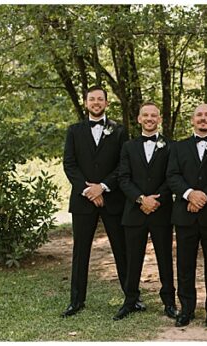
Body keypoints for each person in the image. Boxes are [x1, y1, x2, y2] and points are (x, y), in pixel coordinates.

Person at [59, 86, 131, 318]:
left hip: (113, 199)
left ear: (107, 103)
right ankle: (76, 301)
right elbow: (69, 164)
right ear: (86, 102)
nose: (96, 103)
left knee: (121, 249)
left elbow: (124, 165)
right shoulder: (74, 130)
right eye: (92, 99)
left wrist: (103, 187)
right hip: (83, 200)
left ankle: (131, 298)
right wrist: (88, 190)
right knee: (81, 251)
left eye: (100, 99)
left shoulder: (119, 131)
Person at [165, 103, 207, 328]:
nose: (203, 119)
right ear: (192, 120)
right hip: (185, 215)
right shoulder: (178, 147)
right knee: (184, 264)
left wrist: (203, 197)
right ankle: (187, 309)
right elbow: (171, 176)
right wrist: (190, 194)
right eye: (199, 115)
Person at [114, 102, 175, 321]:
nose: (149, 118)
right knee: (132, 259)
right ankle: (130, 300)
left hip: (161, 210)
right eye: (145, 115)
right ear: (139, 119)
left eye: (154, 115)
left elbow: (172, 177)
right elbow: (123, 177)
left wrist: (156, 200)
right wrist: (141, 199)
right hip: (134, 211)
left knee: (165, 258)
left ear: (159, 119)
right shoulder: (128, 147)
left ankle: (169, 302)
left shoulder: (170, 146)